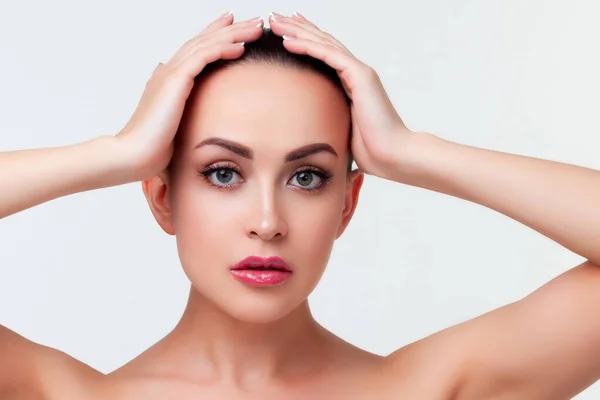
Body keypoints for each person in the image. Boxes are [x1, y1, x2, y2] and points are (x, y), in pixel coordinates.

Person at [1, 10, 599, 400]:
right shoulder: (50, 392)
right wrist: (116, 152)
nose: (267, 222)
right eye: (223, 172)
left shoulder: (426, 391)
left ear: (347, 204)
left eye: (308, 177)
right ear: (162, 197)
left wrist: (411, 151)